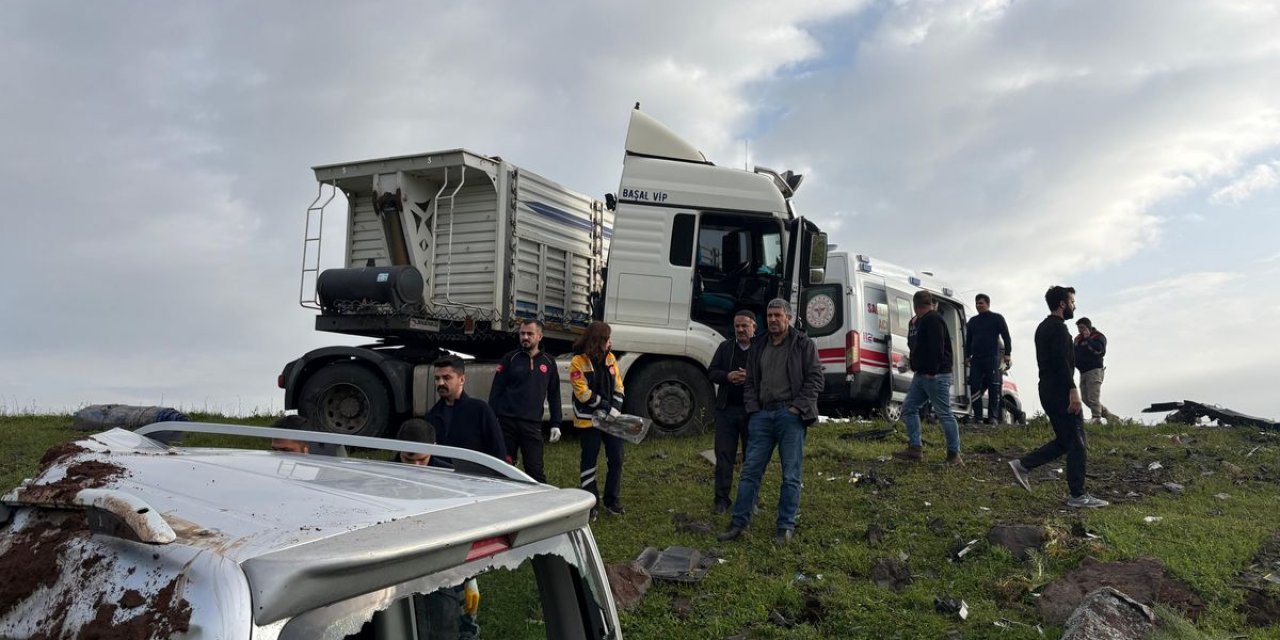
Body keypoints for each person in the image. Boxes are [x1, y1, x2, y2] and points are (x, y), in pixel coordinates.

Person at [718, 298, 823, 546]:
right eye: (770, 315)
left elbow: (816, 379)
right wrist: (754, 410)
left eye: (778, 315)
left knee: (791, 475)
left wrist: (797, 408)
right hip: (763, 416)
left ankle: (785, 527)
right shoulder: (760, 344)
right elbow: (751, 381)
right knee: (750, 472)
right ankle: (738, 523)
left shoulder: (803, 344)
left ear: (788, 317)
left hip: (790, 416)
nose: (773, 319)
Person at [1008, 286, 1109, 509]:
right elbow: (1062, 363)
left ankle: (1023, 465)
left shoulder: (1042, 327)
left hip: (1046, 389)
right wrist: (1073, 390)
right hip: (1060, 390)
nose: (1074, 306)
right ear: (1062, 304)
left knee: (1065, 440)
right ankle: (1078, 495)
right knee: (1078, 443)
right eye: (1072, 302)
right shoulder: (1060, 330)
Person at [392, 417, 479, 639]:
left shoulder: (449, 480)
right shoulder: (382, 476)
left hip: (440, 569)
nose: (415, 468)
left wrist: (470, 577)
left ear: (434, 449)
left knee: (447, 624)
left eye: (422, 460)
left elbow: (462, 528)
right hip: (395, 568)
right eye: (407, 460)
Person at [893, 290, 963, 465]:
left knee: (944, 413)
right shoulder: (916, 322)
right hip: (922, 374)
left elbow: (936, 348)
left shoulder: (933, 319)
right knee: (909, 408)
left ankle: (954, 454)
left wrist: (932, 370)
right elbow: (916, 346)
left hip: (935, 374)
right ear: (931, 303)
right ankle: (915, 448)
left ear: (915, 305)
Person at [489, 319, 562, 482]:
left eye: (530, 334)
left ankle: (538, 505)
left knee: (535, 472)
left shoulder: (549, 362)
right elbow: (496, 390)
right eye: (522, 333)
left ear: (540, 336)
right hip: (506, 423)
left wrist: (556, 423)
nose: (525, 337)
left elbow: (554, 394)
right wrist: (491, 418)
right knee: (504, 469)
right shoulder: (510, 358)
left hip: (532, 424)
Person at [569, 321, 626, 519]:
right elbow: (583, 394)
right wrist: (607, 407)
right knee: (589, 461)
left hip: (611, 419)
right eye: (607, 338)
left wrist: (616, 408)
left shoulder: (611, 358)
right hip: (589, 420)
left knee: (617, 458)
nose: (610, 342)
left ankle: (612, 500)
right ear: (598, 340)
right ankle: (591, 503)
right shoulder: (578, 361)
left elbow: (619, 386)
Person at [708, 309, 757, 514]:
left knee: (752, 459)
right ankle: (721, 500)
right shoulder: (725, 347)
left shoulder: (761, 349)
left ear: (754, 327)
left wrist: (750, 377)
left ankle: (750, 501)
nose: (740, 330)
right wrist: (728, 376)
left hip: (752, 412)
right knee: (724, 457)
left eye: (745, 325)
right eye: (737, 326)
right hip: (726, 411)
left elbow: (771, 375)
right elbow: (712, 372)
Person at [425, 355, 508, 465]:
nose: (440, 383)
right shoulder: (432, 415)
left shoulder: (480, 411)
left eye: (446, 378)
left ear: (462, 379)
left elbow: (498, 453)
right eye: (437, 378)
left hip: (473, 479)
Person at [965, 293, 1012, 424]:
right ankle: (978, 416)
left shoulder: (997, 318)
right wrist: (967, 356)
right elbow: (968, 341)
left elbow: (1006, 337)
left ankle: (993, 417)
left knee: (993, 386)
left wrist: (1007, 354)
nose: (978, 305)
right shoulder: (973, 321)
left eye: (981, 303)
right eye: (977, 303)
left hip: (992, 358)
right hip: (976, 359)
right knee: (974, 386)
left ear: (988, 304)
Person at [1074, 317, 1118, 424]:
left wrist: (1088, 339)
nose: (1080, 330)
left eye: (1082, 327)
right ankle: (1111, 417)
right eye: (1079, 328)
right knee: (1085, 398)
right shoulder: (1078, 340)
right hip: (1082, 372)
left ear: (1088, 327)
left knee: (1093, 396)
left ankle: (1096, 418)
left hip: (1094, 370)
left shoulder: (1098, 336)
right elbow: (1073, 354)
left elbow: (1100, 350)